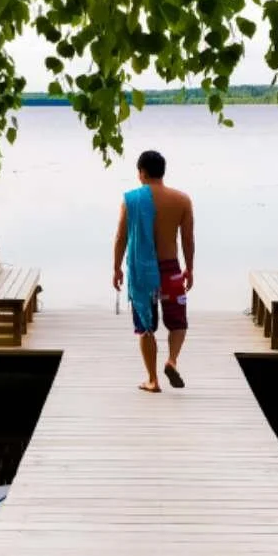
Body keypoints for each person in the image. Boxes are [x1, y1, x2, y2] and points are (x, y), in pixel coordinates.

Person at [112, 149, 195, 392]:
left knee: (145, 327)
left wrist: (116, 268)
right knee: (178, 323)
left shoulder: (132, 200)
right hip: (171, 271)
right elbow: (188, 239)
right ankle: (171, 360)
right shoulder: (182, 200)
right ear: (162, 171)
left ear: (141, 173)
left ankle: (152, 379)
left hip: (143, 273)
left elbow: (121, 237)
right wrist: (189, 268)